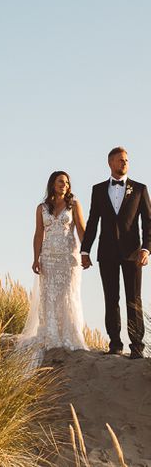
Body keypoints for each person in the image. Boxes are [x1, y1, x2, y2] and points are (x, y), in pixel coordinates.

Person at [80, 147, 150, 359]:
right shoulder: (98, 190)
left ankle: (136, 346)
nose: (125, 163)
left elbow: (148, 222)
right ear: (110, 162)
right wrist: (85, 250)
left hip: (133, 254)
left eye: (127, 160)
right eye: (120, 160)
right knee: (111, 298)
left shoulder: (139, 189)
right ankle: (115, 344)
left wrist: (146, 249)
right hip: (107, 253)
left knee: (134, 299)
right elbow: (92, 222)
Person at [18, 171, 88, 360]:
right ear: (52, 184)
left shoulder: (73, 205)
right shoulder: (42, 208)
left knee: (67, 296)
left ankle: (68, 336)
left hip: (68, 258)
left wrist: (85, 253)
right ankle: (51, 336)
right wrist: (36, 258)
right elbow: (38, 234)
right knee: (49, 297)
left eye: (66, 182)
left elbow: (81, 229)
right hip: (48, 258)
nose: (64, 185)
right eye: (60, 181)